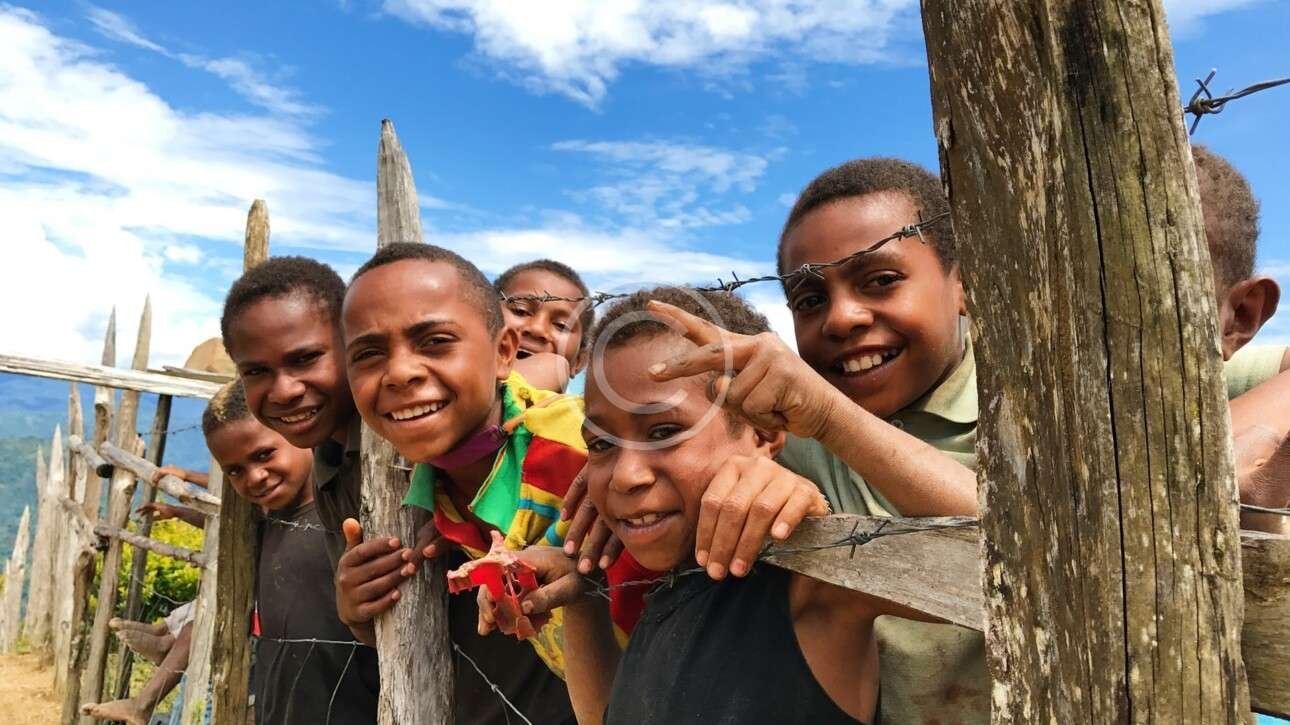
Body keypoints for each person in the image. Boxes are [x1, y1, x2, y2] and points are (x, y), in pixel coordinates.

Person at [481, 287, 945, 724]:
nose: (625, 475)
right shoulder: (673, 585)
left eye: (664, 432)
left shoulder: (812, 580)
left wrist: (825, 415)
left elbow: (989, 558)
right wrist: (585, 599)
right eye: (602, 444)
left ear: (763, 432)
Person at [203, 379, 378, 724]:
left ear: (300, 434)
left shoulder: (346, 524)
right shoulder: (265, 526)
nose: (254, 477)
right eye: (234, 470)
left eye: (264, 455)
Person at [494, 258, 594, 392]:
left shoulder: (579, 406)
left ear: (579, 361)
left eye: (561, 325)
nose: (537, 329)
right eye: (520, 311)